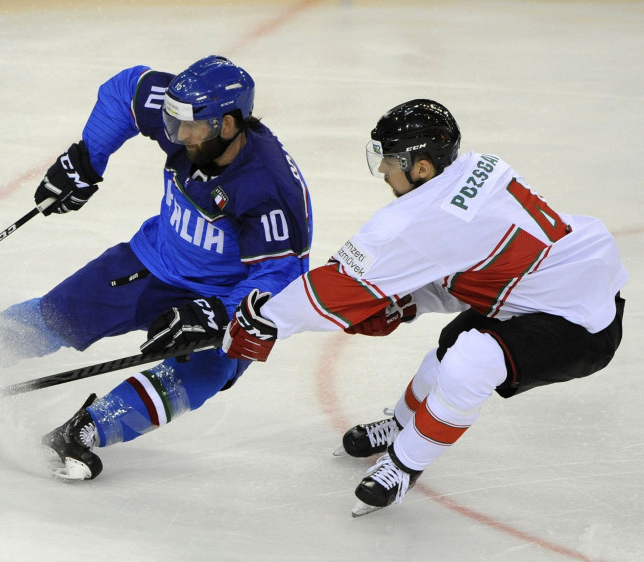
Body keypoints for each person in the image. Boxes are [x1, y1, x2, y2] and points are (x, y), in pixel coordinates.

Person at [0, 56, 313, 481]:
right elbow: (126, 90)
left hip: (226, 294)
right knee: (57, 316)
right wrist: (87, 158)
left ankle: (86, 429)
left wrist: (220, 313)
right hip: (154, 259)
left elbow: (281, 275)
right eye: (173, 122)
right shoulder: (189, 124)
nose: (177, 134)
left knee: (209, 368)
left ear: (229, 123)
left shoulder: (268, 188)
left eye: (190, 126)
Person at [223, 99, 626, 516]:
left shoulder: (419, 222)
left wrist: (261, 322)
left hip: (582, 325)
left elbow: (334, 290)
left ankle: (404, 464)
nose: (382, 171)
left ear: (422, 167)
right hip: (560, 282)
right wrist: (407, 302)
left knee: (471, 362)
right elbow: (476, 271)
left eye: (390, 160)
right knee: (452, 346)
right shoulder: (479, 167)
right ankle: (402, 425)